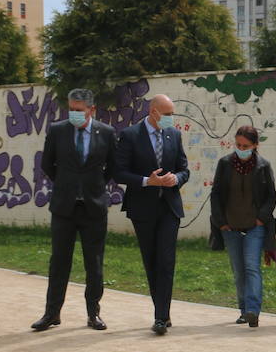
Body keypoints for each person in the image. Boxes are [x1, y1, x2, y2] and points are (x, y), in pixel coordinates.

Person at [32, 88, 117, 332]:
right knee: (59, 261)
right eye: (71, 109)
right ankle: (52, 314)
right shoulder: (58, 130)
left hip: (93, 208)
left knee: (94, 263)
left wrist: (93, 185)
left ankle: (93, 314)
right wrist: (67, 183)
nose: (74, 114)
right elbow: (48, 164)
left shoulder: (107, 133)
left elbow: (112, 167)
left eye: (79, 110)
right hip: (64, 207)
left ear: (92, 110)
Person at [112, 93, 190, 335]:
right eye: (167, 114)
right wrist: (148, 181)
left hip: (169, 207)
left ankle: (160, 317)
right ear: (153, 112)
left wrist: (175, 178)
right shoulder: (130, 135)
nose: (171, 119)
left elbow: (184, 169)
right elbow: (119, 173)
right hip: (142, 208)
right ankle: (161, 311)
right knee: (151, 260)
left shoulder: (174, 135)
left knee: (166, 261)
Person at [210, 125, 276, 327]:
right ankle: (243, 310)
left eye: (246, 145)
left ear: (255, 145)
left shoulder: (263, 166)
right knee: (239, 271)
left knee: (251, 267)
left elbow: (271, 196)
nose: (241, 148)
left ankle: (252, 310)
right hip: (230, 227)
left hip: (254, 227)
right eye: (238, 145)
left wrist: (261, 219)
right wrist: (221, 222)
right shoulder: (225, 164)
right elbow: (215, 194)